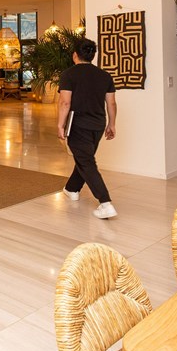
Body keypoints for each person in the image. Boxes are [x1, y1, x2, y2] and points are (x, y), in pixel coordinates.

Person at [56, 38, 118, 219]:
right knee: (85, 158)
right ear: (92, 55)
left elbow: (65, 102)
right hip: (98, 124)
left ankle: (105, 203)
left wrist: (60, 124)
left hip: (78, 123)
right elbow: (112, 103)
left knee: (86, 162)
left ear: (75, 54)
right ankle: (71, 189)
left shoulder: (68, 74)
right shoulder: (105, 76)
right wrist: (112, 124)